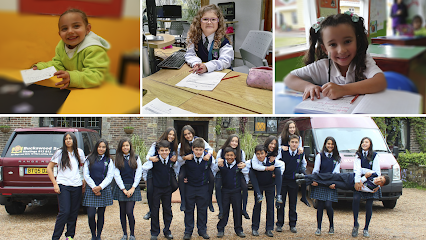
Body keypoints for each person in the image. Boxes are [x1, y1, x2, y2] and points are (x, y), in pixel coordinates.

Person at [284, 12, 386, 100]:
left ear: (357, 41)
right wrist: (307, 86)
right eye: (333, 45)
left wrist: (343, 89)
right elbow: (289, 78)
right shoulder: (321, 66)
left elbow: (380, 82)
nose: (341, 50)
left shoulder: (363, 60)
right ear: (325, 49)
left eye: (347, 41)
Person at [33, 8, 115, 89]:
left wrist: (72, 78)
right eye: (64, 28)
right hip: (79, 89)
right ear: (59, 34)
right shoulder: (61, 46)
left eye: (76, 26)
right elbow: (58, 64)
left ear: (87, 29)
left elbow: (96, 75)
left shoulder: (93, 48)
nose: (70, 31)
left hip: (105, 88)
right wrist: (41, 68)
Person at [46, 132, 86, 240]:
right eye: (66, 139)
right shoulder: (59, 153)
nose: (68, 140)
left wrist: (84, 179)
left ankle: (69, 236)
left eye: (70, 138)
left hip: (76, 186)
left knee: (73, 212)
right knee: (65, 212)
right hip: (63, 185)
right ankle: (55, 237)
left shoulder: (79, 152)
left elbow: (85, 166)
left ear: (74, 140)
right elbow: (49, 168)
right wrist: (55, 184)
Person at [178, 138, 217, 240]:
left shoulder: (208, 160)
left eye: (200, 150)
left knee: (202, 210)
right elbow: (180, 167)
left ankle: (202, 230)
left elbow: (212, 170)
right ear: (192, 149)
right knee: (189, 210)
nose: (198, 152)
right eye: (196, 150)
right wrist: (183, 179)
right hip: (190, 187)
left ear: (204, 150)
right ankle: (188, 231)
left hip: (202, 187)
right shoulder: (188, 160)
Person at [143, 140, 179, 240]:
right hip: (156, 188)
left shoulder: (171, 161)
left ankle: (167, 230)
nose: (164, 152)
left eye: (166, 150)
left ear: (169, 151)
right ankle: (154, 232)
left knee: (167, 210)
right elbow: (144, 169)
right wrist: (147, 182)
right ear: (158, 151)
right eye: (162, 150)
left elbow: (176, 170)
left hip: (167, 188)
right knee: (154, 211)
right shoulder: (154, 160)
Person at [185, 4, 233, 74]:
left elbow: (225, 61)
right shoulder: (195, 38)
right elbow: (189, 54)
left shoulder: (224, 42)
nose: (209, 22)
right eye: (205, 19)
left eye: (213, 19)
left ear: (218, 22)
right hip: (203, 75)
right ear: (199, 22)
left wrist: (207, 66)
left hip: (222, 75)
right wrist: (196, 63)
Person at [142, 127, 179, 221]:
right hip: (154, 168)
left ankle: (163, 196)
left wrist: (175, 158)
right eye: (170, 134)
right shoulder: (156, 144)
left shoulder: (174, 146)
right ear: (166, 134)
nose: (171, 136)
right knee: (150, 190)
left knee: (174, 186)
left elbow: (176, 158)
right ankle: (151, 210)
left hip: (167, 169)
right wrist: (152, 159)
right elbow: (148, 156)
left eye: (173, 135)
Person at [82, 139, 115, 240]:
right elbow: (86, 175)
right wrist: (94, 187)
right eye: (100, 147)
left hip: (103, 189)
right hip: (91, 189)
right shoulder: (88, 159)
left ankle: (98, 235)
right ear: (96, 147)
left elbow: (110, 176)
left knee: (101, 214)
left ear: (106, 148)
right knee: (91, 214)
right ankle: (93, 235)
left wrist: (100, 187)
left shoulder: (109, 160)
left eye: (103, 147)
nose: (101, 149)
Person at [177, 125, 214, 213]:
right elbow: (178, 158)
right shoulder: (181, 144)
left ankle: (210, 201)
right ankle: (183, 201)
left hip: (201, 162)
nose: (188, 136)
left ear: (192, 133)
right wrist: (186, 157)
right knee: (181, 177)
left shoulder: (200, 140)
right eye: (185, 134)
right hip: (187, 164)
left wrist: (208, 155)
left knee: (212, 178)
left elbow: (210, 149)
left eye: (189, 133)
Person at [310, 137, 341, 236]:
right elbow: (316, 170)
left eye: (332, 144)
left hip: (330, 184)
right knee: (320, 206)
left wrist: (333, 183)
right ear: (325, 144)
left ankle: (331, 226)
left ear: (334, 145)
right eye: (328, 144)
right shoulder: (320, 156)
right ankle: (318, 227)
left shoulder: (337, 158)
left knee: (328, 205)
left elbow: (336, 173)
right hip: (320, 183)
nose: (330, 146)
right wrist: (314, 180)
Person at [352, 137, 382, 238]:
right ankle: (355, 224)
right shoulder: (358, 155)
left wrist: (377, 184)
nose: (364, 144)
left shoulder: (375, 155)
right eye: (362, 142)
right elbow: (357, 170)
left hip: (370, 183)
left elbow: (376, 172)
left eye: (366, 142)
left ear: (370, 144)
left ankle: (366, 228)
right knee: (355, 200)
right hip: (360, 181)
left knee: (369, 206)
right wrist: (359, 181)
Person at [215, 147, 248, 238]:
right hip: (225, 191)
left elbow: (247, 172)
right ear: (224, 156)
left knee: (237, 211)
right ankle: (221, 229)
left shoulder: (239, 166)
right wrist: (217, 162)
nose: (229, 157)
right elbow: (213, 170)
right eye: (227, 155)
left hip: (236, 191)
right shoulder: (221, 166)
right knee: (224, 211)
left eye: (231, 155)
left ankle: (238, 229)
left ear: (235, 156)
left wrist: (245, 165)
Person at [113, 138, 143, 240]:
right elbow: (116, 175)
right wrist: (123, 189)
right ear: (120, 147)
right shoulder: (117, 158)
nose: (125, 147)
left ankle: (132, 234)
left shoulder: (136, 157)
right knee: (122, 212)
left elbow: (139, 173)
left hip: (132, 187)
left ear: (130, 146)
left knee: (129, 212)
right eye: (123, 146)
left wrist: (133, 188)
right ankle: (125, 234)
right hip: (122, 187)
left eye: (127, 145)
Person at [215, 134, 250, 220]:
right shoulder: (221, 151)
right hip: (223, 171)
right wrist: (219, 162)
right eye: (232, 141)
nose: (234, 143)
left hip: (236, 171)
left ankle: (244, 209)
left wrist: (244, 165)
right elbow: (216, 163)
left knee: (245, 187)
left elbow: (243, 163)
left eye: (236, 141)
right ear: (228, 141)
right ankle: (221, 210)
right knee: (217, 186)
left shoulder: (241, 152)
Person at [276, 135, 305, 234]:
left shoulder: (300, 154)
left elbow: (303, 165)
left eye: (296, 142)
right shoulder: (283, 152)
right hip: (283, 181)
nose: (294, 144)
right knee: (281, 203)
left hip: (294, 181)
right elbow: (277, 162)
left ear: (298, 143)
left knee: (293, 204)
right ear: (288, 143)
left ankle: (292, 224)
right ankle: (279, 223)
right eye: (292, 142)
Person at [278, 120, 308, 206]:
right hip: (285, 158)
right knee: (281, 200)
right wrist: (281, 147)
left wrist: (301, 149)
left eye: (293, 127)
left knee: (304, 176)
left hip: (295, 158)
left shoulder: (298, 137)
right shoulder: (282, 137)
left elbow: (300, 147)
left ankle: (304, 197)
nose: (292, 129)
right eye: (290, 127)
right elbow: (277, 148)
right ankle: (280, 219)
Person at [249, 136, 284, 208]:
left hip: (270, 180)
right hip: (259, 178)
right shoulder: (259, 150)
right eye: (271, 143)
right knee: (251, 171)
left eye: (275, 144)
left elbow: (281, 164)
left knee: (278, 170)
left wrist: (278, 174)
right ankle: (258, 194)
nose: (273, 146)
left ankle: (278, 195)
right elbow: (254, 165)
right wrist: (268, 168)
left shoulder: (276, 153)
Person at [250, 145, 276, 237]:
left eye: (262, 153)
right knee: (257, 206)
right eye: (258, 154)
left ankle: (269, 228)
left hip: (270, 186)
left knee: (270, 207)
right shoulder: (254, 164)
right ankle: (254, 228)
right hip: (259, 186)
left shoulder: (271, 161)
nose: (260, 156)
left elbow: (277, 171)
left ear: (266, 154)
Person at [296, 171, 390, 193]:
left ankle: (305, 181)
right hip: (348, 176)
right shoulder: (373, 173)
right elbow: (359, 170)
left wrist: (364, 177)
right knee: (327, 175)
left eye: (381, 181)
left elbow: (360, 188)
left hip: (348, 185)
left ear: (381, 184)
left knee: (329, 183)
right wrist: (361, 179)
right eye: (380, 178)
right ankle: (305, 176)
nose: (379, 180)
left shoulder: (372, 189)